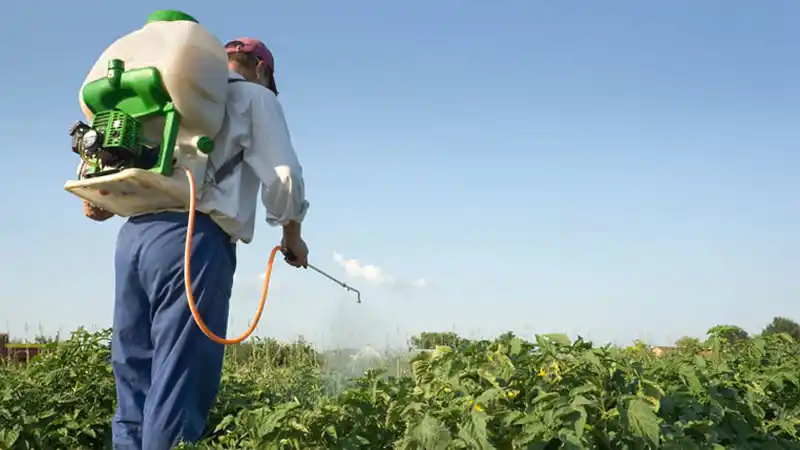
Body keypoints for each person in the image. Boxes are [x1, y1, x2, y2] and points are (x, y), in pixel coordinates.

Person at [83, 37, 310, 449]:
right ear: (262, 70)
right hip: (192, 240)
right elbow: (284, 176)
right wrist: (291, 235)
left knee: (133, 375)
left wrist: (103, 199)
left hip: (133, 238)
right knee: (178, 382)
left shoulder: (172, 92)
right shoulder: (253, 97)